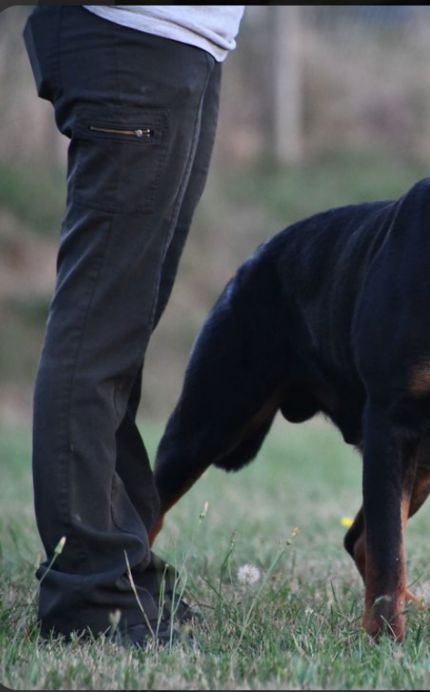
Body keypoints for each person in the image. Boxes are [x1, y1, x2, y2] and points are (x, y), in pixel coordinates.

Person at [23, 5, 245, 648]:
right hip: (133, 35)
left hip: (182, 43)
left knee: (120, 333)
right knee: (99, 330)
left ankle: (121, 567)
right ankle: (91, 595)